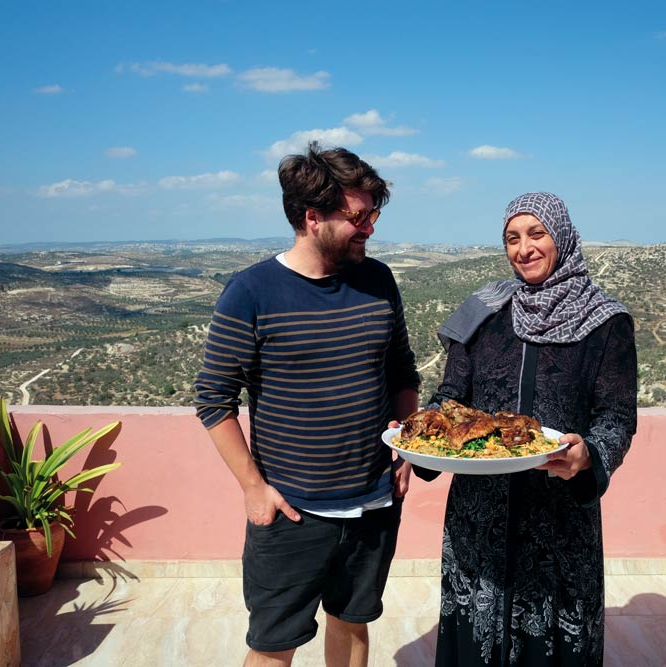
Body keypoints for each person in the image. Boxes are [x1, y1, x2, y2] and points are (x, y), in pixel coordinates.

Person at [194, 142, 420, 667]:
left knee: (353, 625)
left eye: (373, 215)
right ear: (312, 217)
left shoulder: (378, 280)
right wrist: (254, 488)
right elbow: (213, 399)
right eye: (358, 217)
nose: (369, 228)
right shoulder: (250, 292)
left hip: (373, 505)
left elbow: (401, 371)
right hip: (292, 512)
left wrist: (409, 445)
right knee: (273, 649)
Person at [422, 192, 637, 665]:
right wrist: (423, 427)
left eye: (536, 234)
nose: (524, 249)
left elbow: (618, 417)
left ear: (560, 236)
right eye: (512, 239)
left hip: (559, 517)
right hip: (478, 514)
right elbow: (450, 396)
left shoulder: (605, 321)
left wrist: (589, 454)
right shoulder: (482, 313)